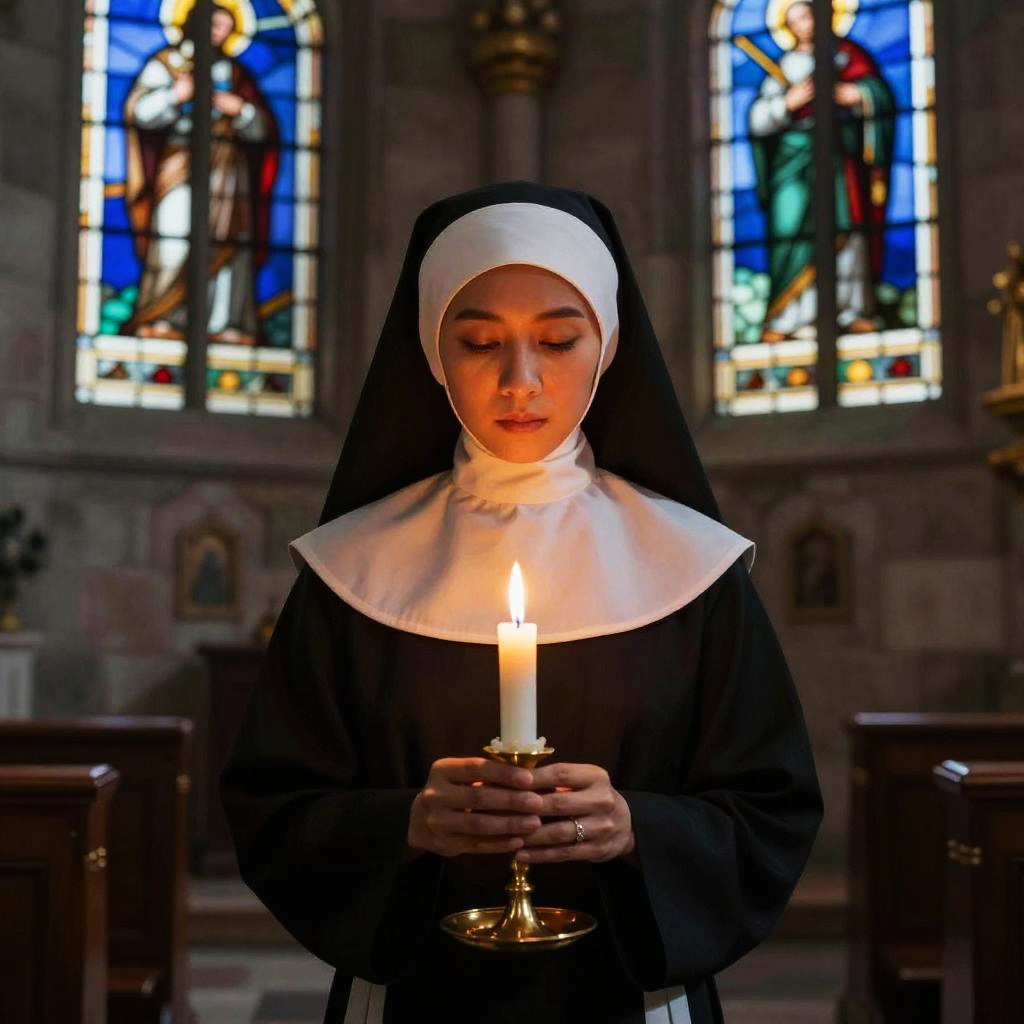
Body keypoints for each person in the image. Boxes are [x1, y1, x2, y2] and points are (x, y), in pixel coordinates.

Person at [220, 181, 824, 1024]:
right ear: (432, 353)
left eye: (558, 338)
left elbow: (772, 806)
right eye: (477, 342)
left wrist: (632, 829)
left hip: (633, 994)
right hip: (414, 995)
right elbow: (273, 807)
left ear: (607, 345)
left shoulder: (694, 569)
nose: (520, 380)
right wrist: (412, 825)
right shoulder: (352, 571)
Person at [123, 1, 277, 344]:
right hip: (180, 162)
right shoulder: (165, 65)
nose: (218, 32)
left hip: (228, 167)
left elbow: (262, 131)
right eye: (212, 25)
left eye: (224, 27)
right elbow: (141, 113)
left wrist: (240, 110)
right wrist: (177, 94)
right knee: (173, 239)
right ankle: (162, 316)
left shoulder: (237, 75)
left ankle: (225, 324)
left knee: (230, 244)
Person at [747, 0, 894, 342]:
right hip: (792, 159)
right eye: (794, 19)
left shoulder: (846, 56)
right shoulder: (783, 66)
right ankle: (790, 317)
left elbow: (878, 95)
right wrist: (788, 102)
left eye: (807, 15)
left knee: (846, 224)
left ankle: (850, 310)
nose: (803, 24)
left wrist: (854, 95)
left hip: (837, 154)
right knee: (790, 230)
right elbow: (758, 119)